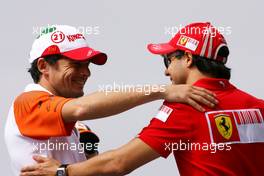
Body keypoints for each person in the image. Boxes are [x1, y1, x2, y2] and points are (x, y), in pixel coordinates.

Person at [20, 22, 264, 176]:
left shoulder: (188, 106)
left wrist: (62, 172)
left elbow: (119, 164)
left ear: (188, 59)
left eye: (168, 60)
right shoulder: (259, 107)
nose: (166, 71)